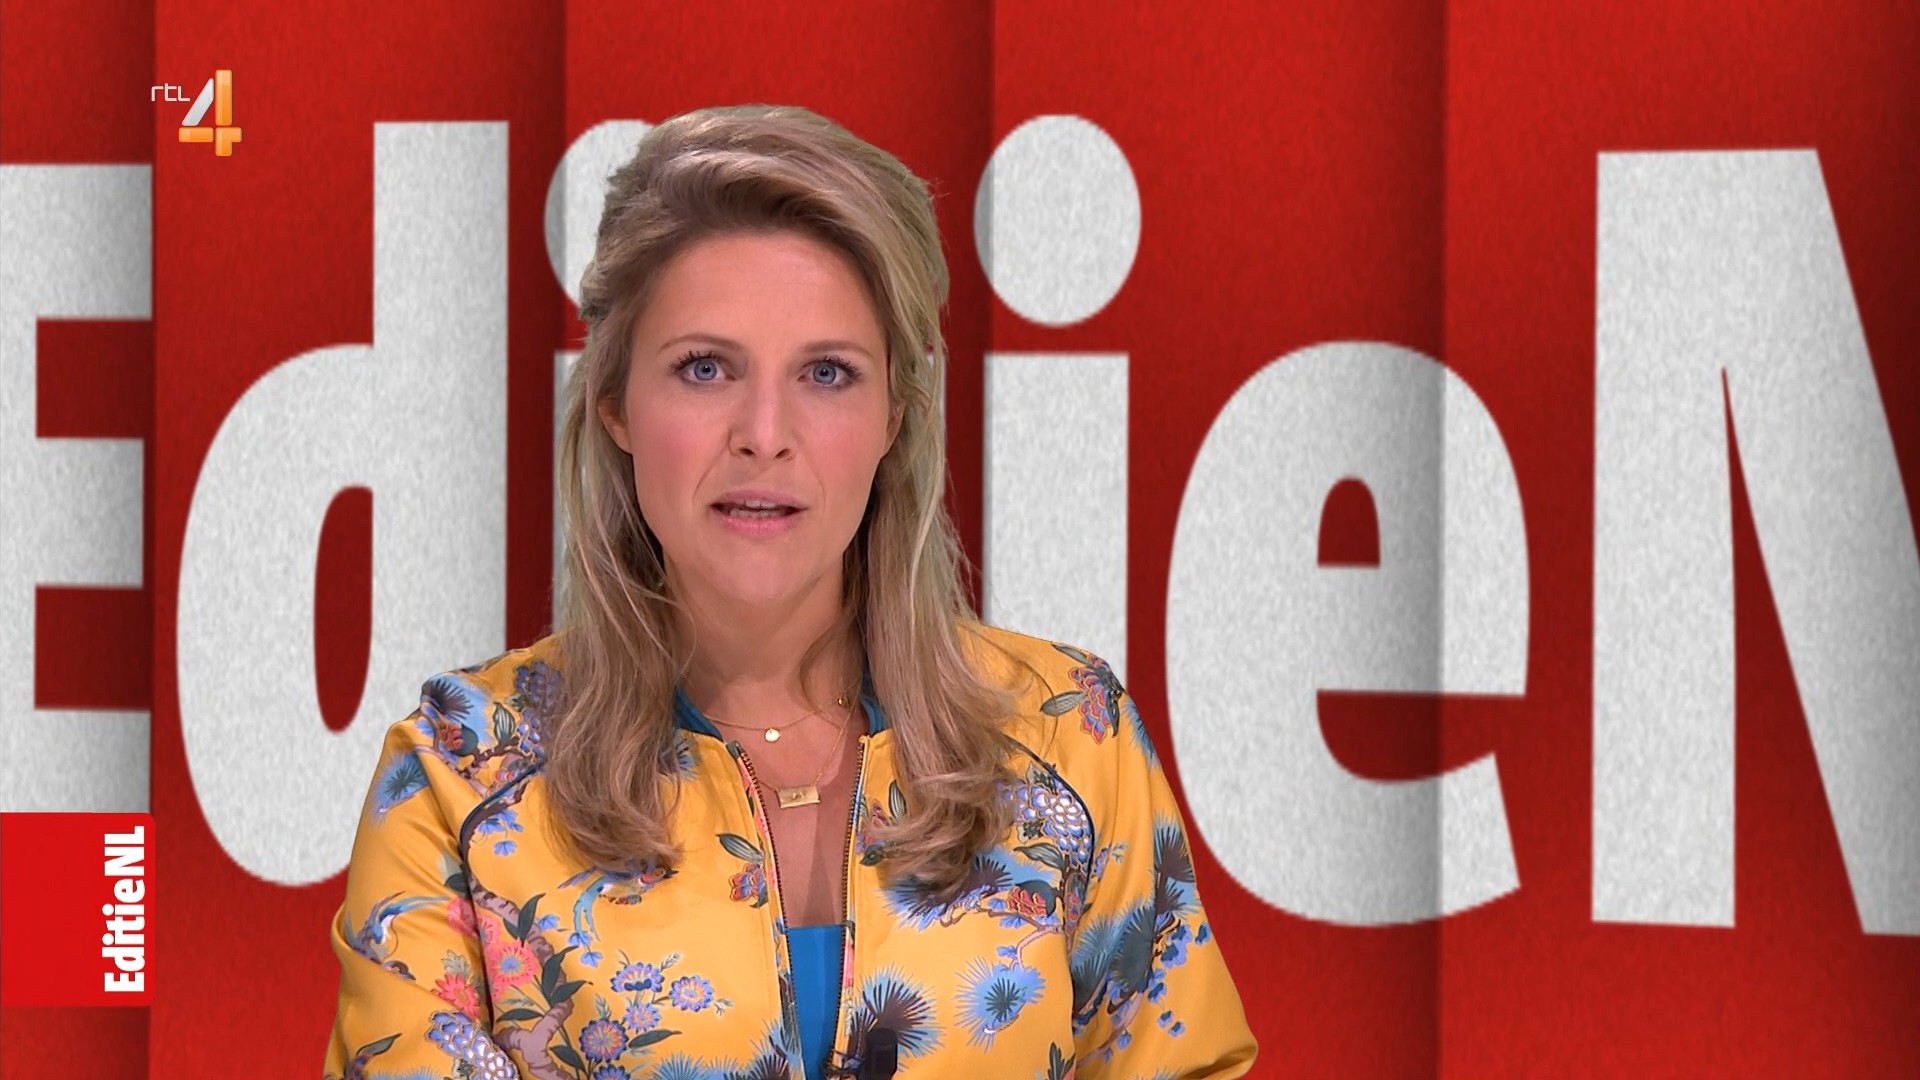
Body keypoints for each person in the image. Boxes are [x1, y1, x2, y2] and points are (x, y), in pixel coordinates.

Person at [323, 103, 1256, 1080]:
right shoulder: (458, 776)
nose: (764, 434)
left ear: (896, 413)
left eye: (827, 373)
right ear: (615, 403)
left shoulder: (1070, 737)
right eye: (705, 368)